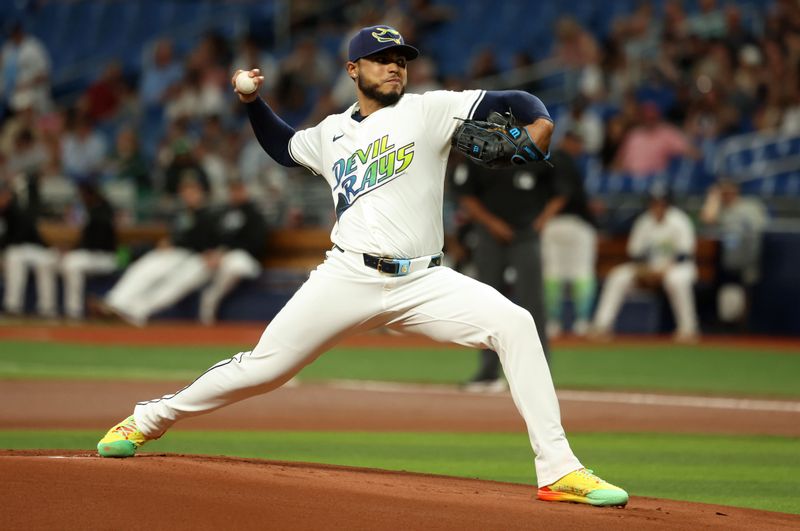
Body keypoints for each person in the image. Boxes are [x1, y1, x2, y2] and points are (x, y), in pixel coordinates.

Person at [97, 25, 628, 507]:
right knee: (264, 369)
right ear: (353, 70)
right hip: (347, 277)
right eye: (381, 58)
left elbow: (510, 97)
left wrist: (541, 121)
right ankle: (148, 418)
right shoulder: (330, 133)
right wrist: (252, 101)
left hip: (423, 280)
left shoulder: (430, 109)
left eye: (400, 58)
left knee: (515, 323)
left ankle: (558, 469)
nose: (395, 65)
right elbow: (284, 147)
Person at [452, 154, 560, 390]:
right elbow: (465, 195)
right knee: (488, 305)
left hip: (526, 235)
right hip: (489, 236)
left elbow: (561, 191)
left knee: (533, 304)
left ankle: (539, 374)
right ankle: (488, 371)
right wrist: (492, 224)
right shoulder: (482, 153)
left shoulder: (535, 152)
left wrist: (541, 221)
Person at [98, 176, 217, 326]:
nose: (188, 195)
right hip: (176, 253)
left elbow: (213, 239)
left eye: (192, 191)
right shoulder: (182, 213)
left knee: (173, 286)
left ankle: (136, 311)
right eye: (185, 191)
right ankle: (114, 303)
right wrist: (170, 241)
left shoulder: (211, 213)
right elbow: (179, 235)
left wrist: (216, 252)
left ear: (201, 192)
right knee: (144, 268)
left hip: (198, 258)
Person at [591, 186, 700, 342]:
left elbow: (684, 254)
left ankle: (688, 329)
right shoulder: (644, 221)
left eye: (661, 202)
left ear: (668, 204)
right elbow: (635, 253)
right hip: (649, 269)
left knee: (675, 281)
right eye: (654, 202)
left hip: (677, 267)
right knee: (618, 276)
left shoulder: (680, 220)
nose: (657, 206)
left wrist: (664, 270)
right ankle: (601, 326)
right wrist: (645, 271)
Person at [540, 128, 598, 337]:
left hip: (554, 224)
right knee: (581, 273)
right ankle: (581, 322)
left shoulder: (548, 159)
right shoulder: (564, 160)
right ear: (569, 141)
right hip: (572, 224)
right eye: (578, 143)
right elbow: (563, 195)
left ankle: (553, 324)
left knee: (552, 274)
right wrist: (542, 220)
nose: (581, 149)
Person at [199, 180, 268, 325]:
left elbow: (256, 244)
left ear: (245, 191)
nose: (235, 194)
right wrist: (213, 252)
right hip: (221, 257)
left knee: (236, 265)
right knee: (198, 266)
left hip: (247, 259)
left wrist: (225, 251)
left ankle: (211, 298)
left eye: (239, 190)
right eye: (232, 191)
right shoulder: (223, 213)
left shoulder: (254, 214)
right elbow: (213, 236)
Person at [700, 179, 768, 326]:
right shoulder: (723, 210)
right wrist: (713, 197)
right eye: (723, 193)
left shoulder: (750, 206)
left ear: (736, 191)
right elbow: (707, 219)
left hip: (750, 255)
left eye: (729, 191)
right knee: (721, 283)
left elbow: (759, 231)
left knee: (748, 287)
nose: (727, 196)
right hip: (728, 257)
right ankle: (728, 325)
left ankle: (746, 326)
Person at [59, 182, 118, 320]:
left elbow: (94, 241)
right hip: (92, 256)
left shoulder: (102, 212)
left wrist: (73, 249)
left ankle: (74, 311)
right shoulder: (93, 210)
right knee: (67, 263)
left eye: (83, 195)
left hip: (104, 257)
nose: (81, 198)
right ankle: (72, 310)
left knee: (71, 263)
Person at [0, 180, 58, 317]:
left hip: (31, 248)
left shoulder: (16, 210)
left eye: (3, 195)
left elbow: (20, 236)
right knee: (13, 258)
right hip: (16, 250)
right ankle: (12, 306)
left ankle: (47, 309)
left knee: (43, 263)